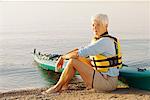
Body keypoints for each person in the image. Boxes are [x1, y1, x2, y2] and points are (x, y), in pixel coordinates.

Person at [43, 13, 122, 94]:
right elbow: (80, 50)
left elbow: (79, 53)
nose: (94, 28)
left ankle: (57, 87)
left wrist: (63, 58)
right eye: (93, 25)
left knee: (73, 61)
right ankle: (64, 86)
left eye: (98, 25)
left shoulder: (104, 42)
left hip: (107, 83)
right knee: (75, 59)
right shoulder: (101, 40)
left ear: (106, 26)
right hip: (103, 78)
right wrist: (64, 56)